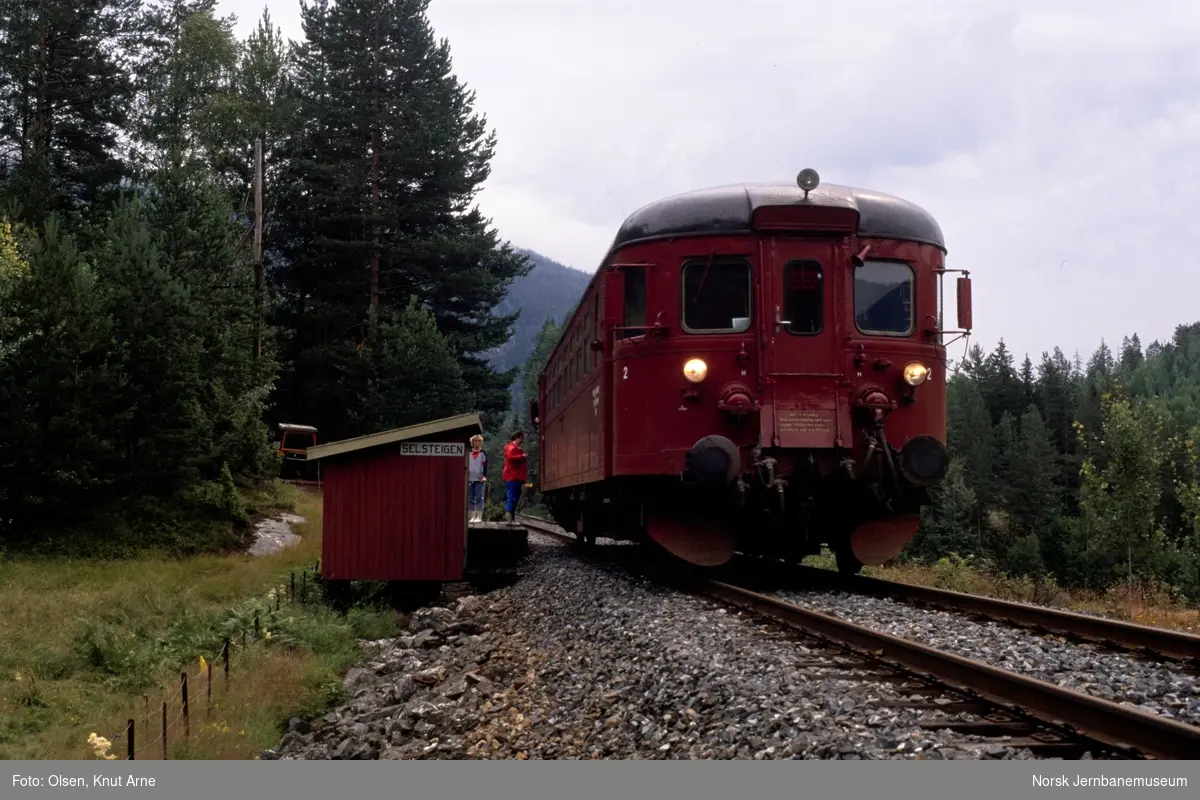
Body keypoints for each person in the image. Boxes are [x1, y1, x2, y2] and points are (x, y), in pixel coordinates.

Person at [501, 430, 528, 523]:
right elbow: (510, 457)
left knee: (515, 497)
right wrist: (522, 456)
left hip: (517, 477)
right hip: (512, 477)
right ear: (517, 437)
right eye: (521, 438)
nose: (522, 440)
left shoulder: (516, 448)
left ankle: (511, 519)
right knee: (512, 497)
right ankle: (509, 519)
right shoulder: (511, 448)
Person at [467, 434, 488, 523]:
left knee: (479, 497)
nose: (477, 442)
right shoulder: (468, 452)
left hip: (479, 478)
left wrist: (484, 476)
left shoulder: (483, 453)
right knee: (470, 497)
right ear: (472, 442)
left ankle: (479, 516)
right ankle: (471, 516)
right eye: (475, 440)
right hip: (469, 478)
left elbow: (485, 465)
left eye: (479, 441)